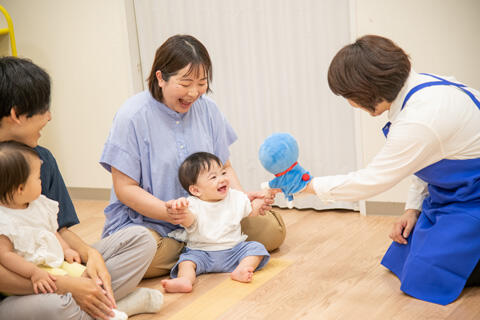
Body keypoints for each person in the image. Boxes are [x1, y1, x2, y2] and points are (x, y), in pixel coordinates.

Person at [301, 34, 480, 305]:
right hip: (458, 190)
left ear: (368, 90)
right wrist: (412, 209)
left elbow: (372, 180)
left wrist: (306, 186)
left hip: (472, 199)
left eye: (350, 96)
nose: (351, 104)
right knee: (403, 252)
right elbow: (428, 160)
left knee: (424, 276)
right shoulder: (422, 89)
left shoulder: (420, 120)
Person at [100, 34, 286, 278]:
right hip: (153, 224)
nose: (194, 92)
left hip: (211, 215)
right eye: (185, 83)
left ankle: (196, 255)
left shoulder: (208, 109)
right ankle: (205, 251)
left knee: (273, 230)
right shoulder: (132, 116)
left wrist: (238, 199)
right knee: (146, 249)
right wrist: (171, 214)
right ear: (160, 78)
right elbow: (125, 188)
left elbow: (225, 167)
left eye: (201, 83)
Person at [0, 56, 162, 320]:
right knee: (56, 307)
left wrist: (91, 255)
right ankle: (116, 307)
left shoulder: (42, 160)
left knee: (141, 240)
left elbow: (59, 228)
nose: (50, 117)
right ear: (17, 114)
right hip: (16, 293)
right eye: (44, 109)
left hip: (54, 266)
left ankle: (94, 304)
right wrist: (67, 287)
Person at [0, 141, 128, 319]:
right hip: (33, 272)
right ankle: (110, 310)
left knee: (89, 278)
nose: (41, 182)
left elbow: (52, 231)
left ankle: (100, 304)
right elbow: (5, 256)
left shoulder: (39, 205)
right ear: (20, 189)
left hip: (55, 263)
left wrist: (66, 249)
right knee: (59, 298)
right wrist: (34, 273)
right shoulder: (5, 220)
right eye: (38, 178)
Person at [161, 152, 270, 293]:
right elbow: (187, 219)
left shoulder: (235, 197)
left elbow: (252, 211)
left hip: (234, 251)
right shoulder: (192, 205)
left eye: (223, 173)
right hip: (201, 254)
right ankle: (185, 280)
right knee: (186, 262)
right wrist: (179, 207)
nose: (222, 179)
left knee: (256, 248)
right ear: (195, 190)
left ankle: (241, 270)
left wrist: (262, 198)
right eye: (213, 177)